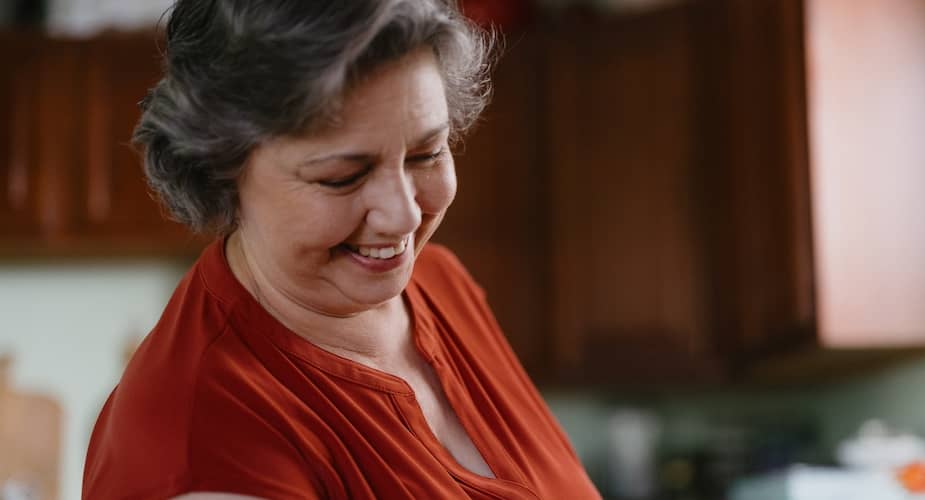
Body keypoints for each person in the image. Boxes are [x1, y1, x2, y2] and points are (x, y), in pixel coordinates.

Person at [81, 1, 600, 498]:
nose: (405, 215)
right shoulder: (200, 442)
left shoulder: (441, 282)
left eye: (427, 153)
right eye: (342, 177)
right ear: (221, 169)